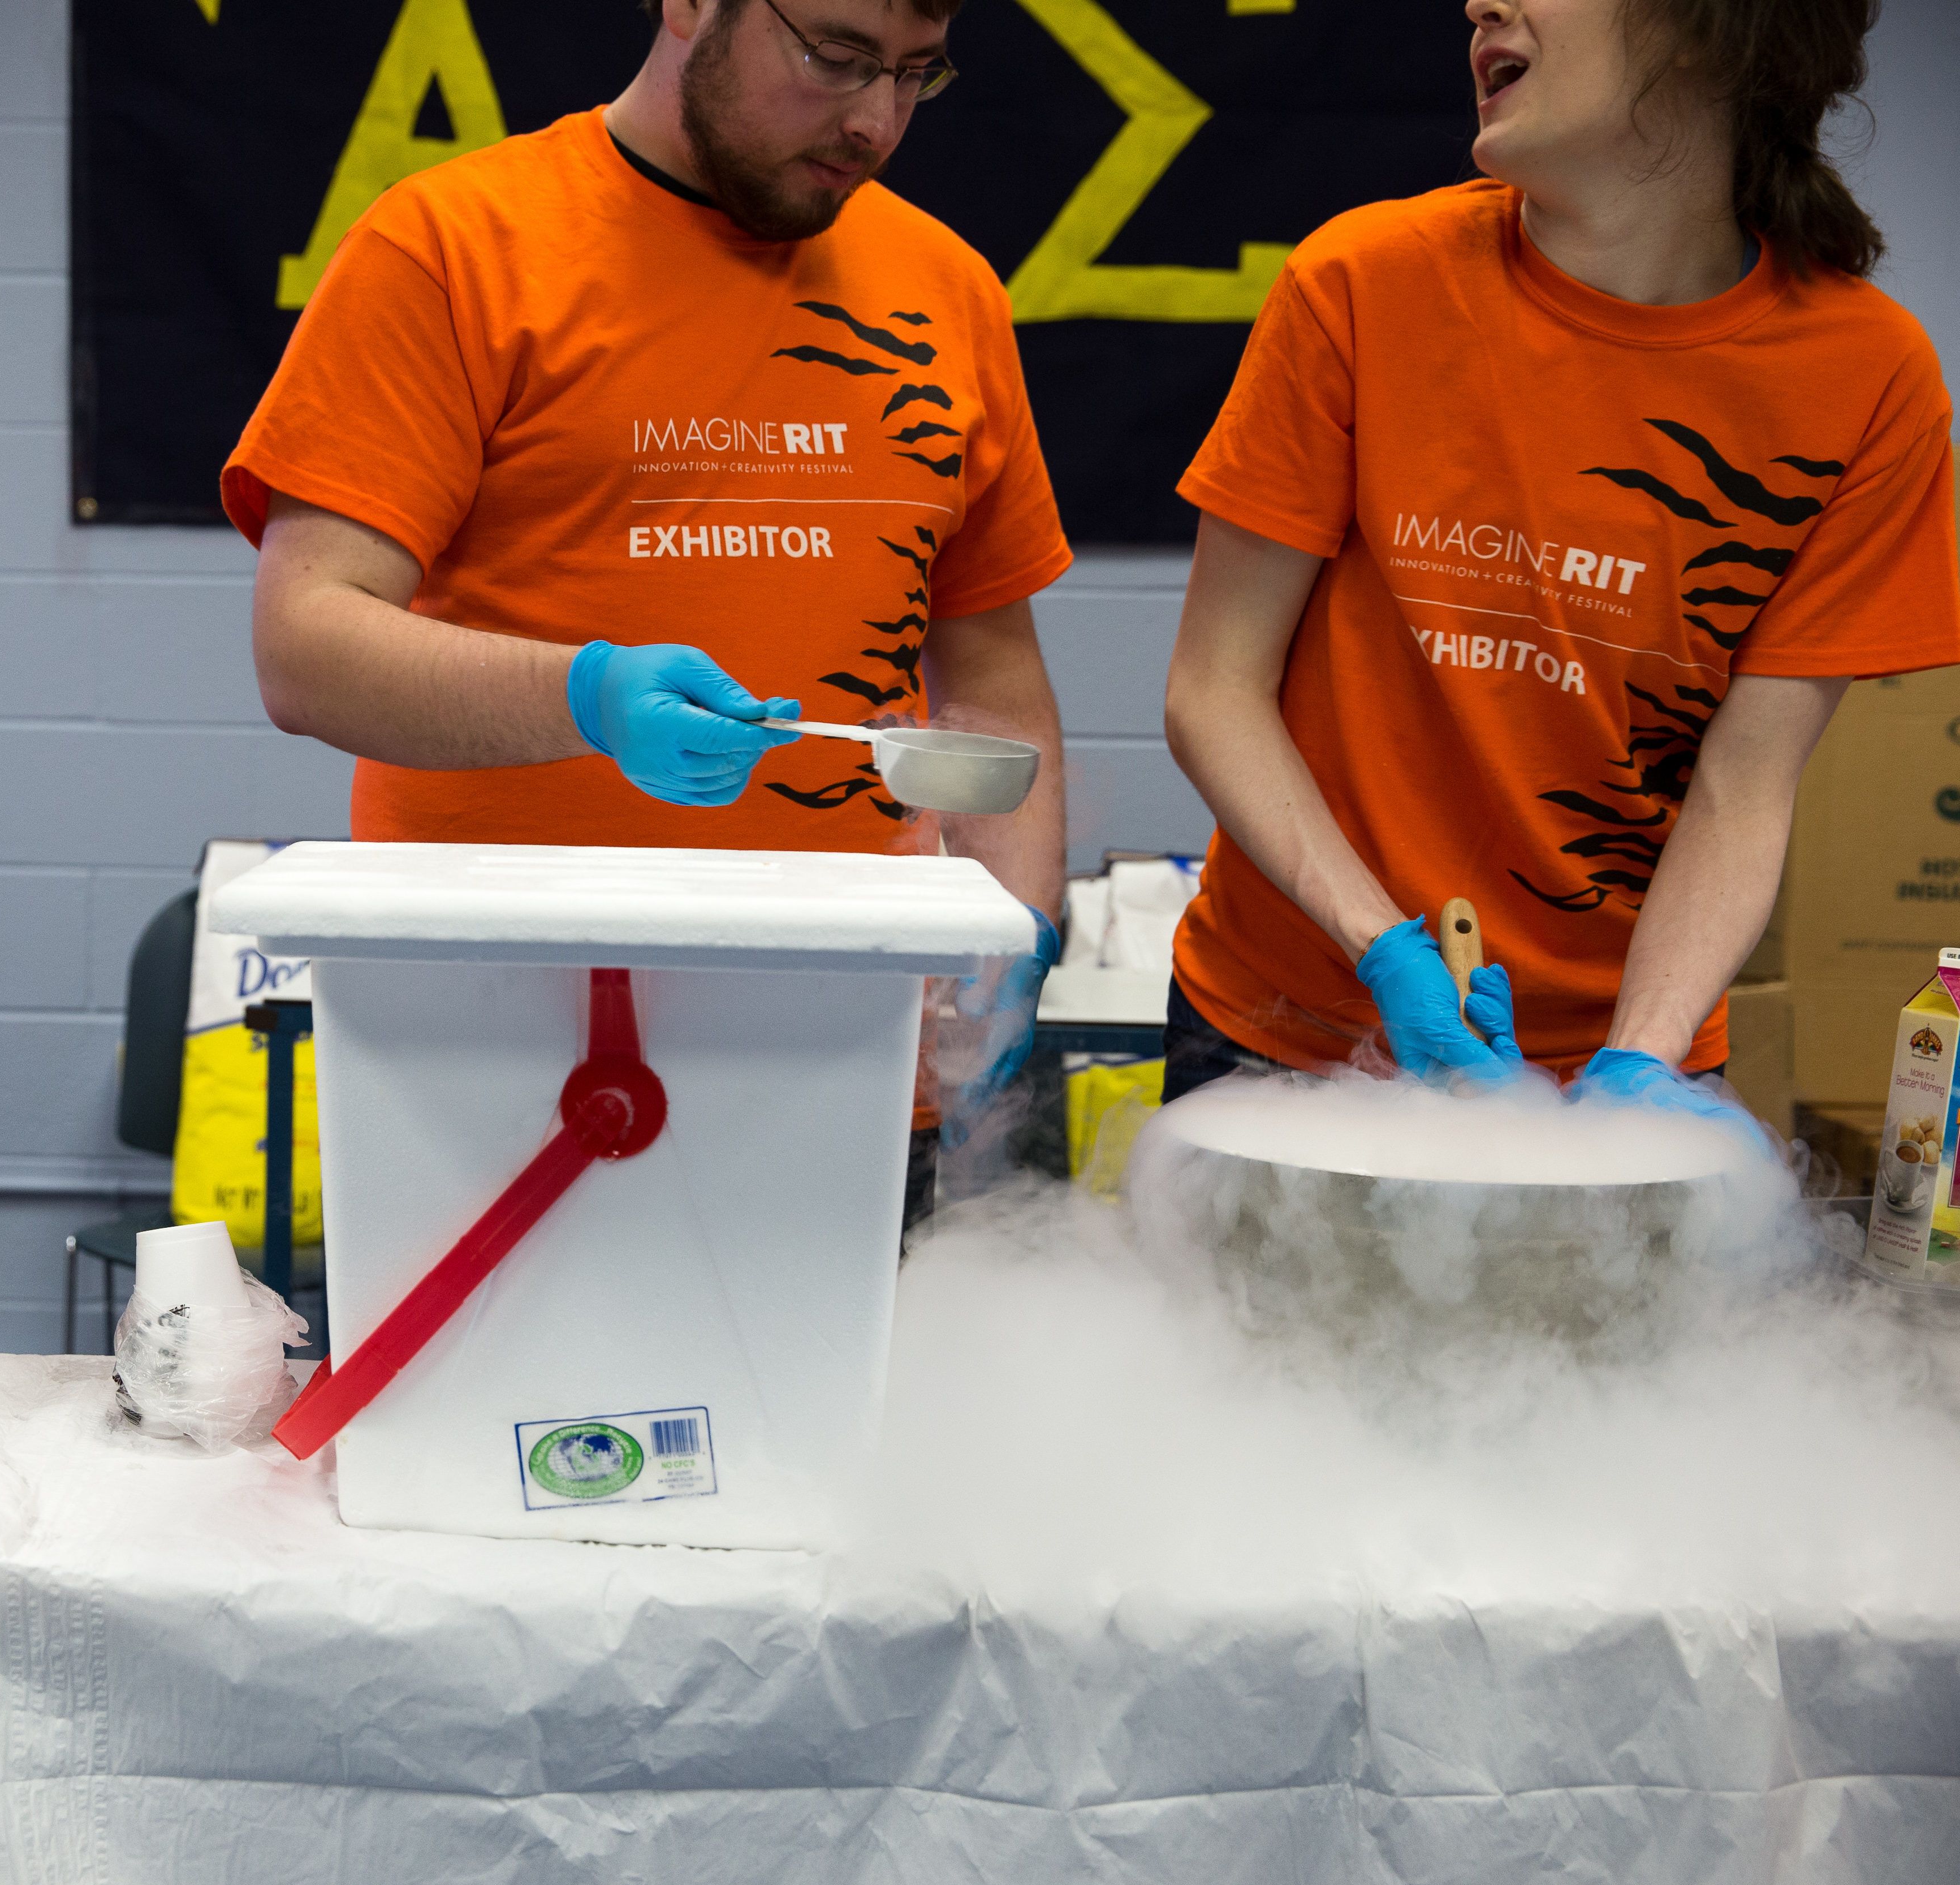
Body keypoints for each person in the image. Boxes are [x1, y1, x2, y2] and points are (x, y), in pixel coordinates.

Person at [225, 0, 1075, 1212]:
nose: (874, 121)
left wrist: (1011, 938)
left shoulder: (948, 289)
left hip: (845, 1057)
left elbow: (993, 692)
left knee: (838, 1405)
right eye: (835, 58)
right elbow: (304, 643)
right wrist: (588, 695)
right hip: (497, 1061)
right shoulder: (455, 244)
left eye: (915, 77)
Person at [1160, 0, 1955, 1118]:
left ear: (1706, 27)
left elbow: (1742, 790)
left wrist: (1642, 1056)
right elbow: (1213, 692)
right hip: (1286, 1028)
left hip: (1623, 1047)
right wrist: (1382, 950)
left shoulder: (1870, 379)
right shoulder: (1363, 283)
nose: (1480, 2)